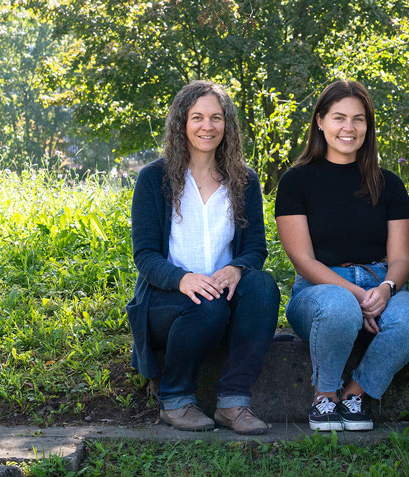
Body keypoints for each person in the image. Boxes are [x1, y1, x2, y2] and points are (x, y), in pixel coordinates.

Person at [275, 80, 409, 431]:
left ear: (368, 126)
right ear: (320, 121)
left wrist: (386, 289)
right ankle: (324, 397)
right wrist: (357, 297)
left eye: (358, 119)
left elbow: (401, 258)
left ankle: (354, 393)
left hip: (380, 287)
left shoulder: (388, 184)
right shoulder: (296, 182)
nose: (349, 128)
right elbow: (304, 261)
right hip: (318, 293)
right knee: (339, 305)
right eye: (339, 117)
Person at [127, 80, 279, 434]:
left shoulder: (244, 180)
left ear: (227, 125)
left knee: (263, 286)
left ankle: (233, 404)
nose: (207, 126)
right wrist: (182, 279)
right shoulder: (154, 178)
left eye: (216, 118)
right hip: (167, 301)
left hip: (223, 294)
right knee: (205, 305)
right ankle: (176, 400)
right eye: (197, 117)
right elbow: (145, 255)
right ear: (182, 122)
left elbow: (255, 246)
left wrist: (237, 268)